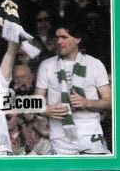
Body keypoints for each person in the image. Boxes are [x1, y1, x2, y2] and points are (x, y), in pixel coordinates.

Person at [35, 23, 111, 155]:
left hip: (91, 134)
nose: (59, 41)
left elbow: (109, 102)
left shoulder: (95, 64)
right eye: (57, 37)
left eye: (64, 37)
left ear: (77, 39)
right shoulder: (46, 65)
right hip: (60, 137)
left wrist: (87, 102)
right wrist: (44, 109)